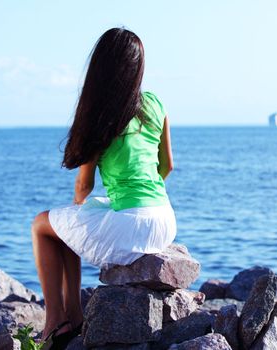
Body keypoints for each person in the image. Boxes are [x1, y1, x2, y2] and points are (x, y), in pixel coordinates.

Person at [31, 28, 176, 350]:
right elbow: (166, 167)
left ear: (99, 68)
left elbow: (84, 185)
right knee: (66, 227)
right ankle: (73, 317)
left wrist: (83, 210)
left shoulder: (101, 112)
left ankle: (55, 323)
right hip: (165, 220)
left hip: (130, 224)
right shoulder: (155, 103)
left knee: (43, 224)